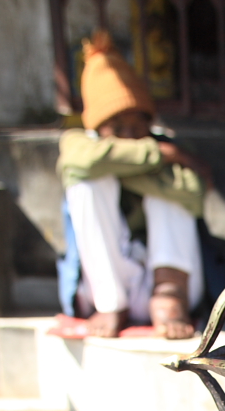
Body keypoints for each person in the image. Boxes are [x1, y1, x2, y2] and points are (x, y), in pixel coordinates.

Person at [56, 31, 213, 339]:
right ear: (98, 129)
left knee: (169, 195)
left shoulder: (160, 145)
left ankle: (170, 299)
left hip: (169, 286)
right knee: (87, 184)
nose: (129, 135)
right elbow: (81, 165)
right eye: (118, 128)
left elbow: (194, 192)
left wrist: (119, 164)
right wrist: (155, 157)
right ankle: (110, 305)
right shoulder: (80, 145)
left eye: (136, 126)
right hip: (106, 291)